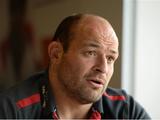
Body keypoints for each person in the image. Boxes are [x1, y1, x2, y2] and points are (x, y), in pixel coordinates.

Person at [0, 13, 150, 119]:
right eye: (91, 52)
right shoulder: (11, 110)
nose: (103, 68)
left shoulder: (126, 111)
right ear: (55, 53)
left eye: (110, 58)